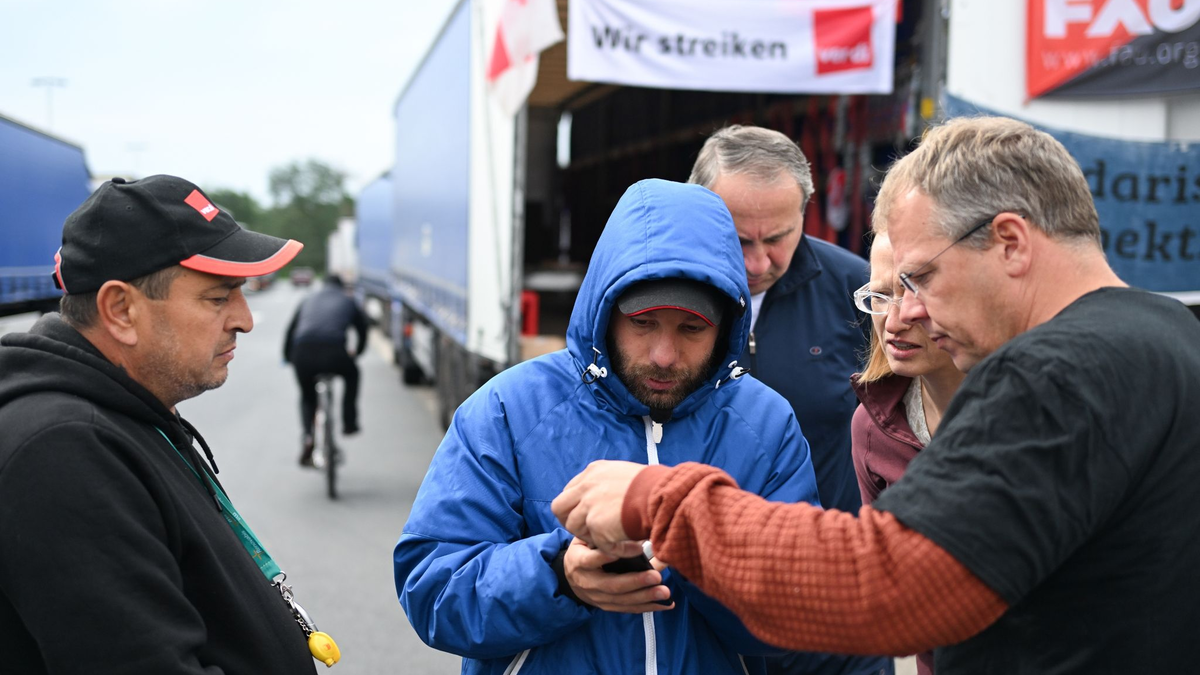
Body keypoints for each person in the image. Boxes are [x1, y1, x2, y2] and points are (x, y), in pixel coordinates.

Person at [552, 116, 1200, 673]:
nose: (910, 312)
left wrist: (659, 500)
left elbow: (886, 583)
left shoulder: (1053, 373)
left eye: (922, 277)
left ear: (1010, 242)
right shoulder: (1170, 334)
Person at [393, 179, 820, 675]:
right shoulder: (506, 410)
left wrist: (699, 547)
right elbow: (433, 591)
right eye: (643, 323)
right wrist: (559, 575)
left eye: (691, 328)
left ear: (726, 327)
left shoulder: (766, 425)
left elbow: (799, 612)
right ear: (604, 310)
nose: (664, 355)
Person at [0, 175, 323, 673]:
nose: (244, 319)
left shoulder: (124, 408)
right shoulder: (62, 450)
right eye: (218, 298)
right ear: (121, 310)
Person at [690, 125, 887, 675]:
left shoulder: (861, 294)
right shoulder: (657, 298)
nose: (758, 263)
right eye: (739, 240)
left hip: (833, 608)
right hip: (698, 602)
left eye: (777, 238)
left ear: (805, 211)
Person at [850, 233, 966, 675]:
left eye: (915, 291)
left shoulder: (1033, 408)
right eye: (880, 296)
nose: (894, 321)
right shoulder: (871, 425)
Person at [283, 273, 368, 466]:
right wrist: (358, 353)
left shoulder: (308, 299)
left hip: (303, 352)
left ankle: (308, 436)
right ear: (342, 286)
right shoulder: (348, 300)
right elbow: (362, 329)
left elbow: (291, 330)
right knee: (353, 374)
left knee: (308, 397)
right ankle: (349, 423)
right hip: (335, 352)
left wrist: (288, 357)